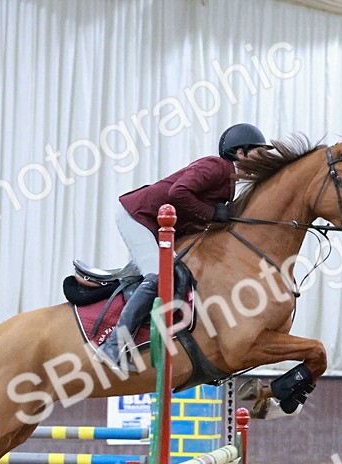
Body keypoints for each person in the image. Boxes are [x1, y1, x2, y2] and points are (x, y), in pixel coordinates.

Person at [96, 123, 272, 370]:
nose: (263, 158)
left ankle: (145, 341)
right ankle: (113, 345)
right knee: (160, 276)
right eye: (258, 152)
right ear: (239, 152)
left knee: (179, 275)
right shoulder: (216, 166)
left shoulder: (229, 179)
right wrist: (212, 212)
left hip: (154, 221)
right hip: (137, 215)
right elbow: (178, 192)